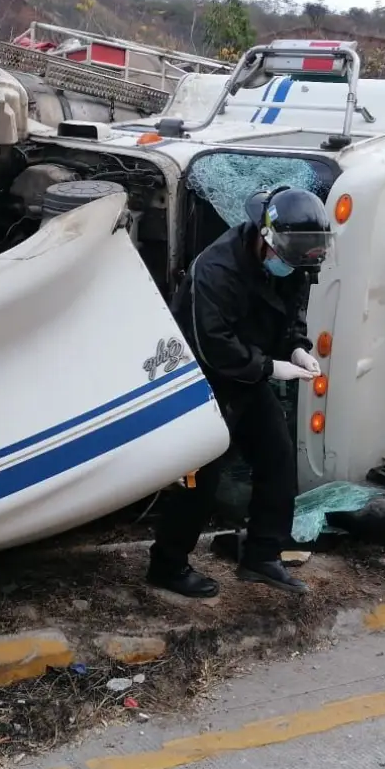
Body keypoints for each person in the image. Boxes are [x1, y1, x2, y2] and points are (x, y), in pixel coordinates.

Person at [148, 185, 335, 598]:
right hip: (204, 378)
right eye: (288, 261)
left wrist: (297, 347)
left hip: (249, 375)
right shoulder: (216, 270)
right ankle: (167, 564)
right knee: (200, 476)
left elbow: (290, 317)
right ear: (265, 239)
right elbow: (213, 343)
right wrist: (270, 367)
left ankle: (263, 557)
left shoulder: (294, 264)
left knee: (277, 458)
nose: (295, 269)